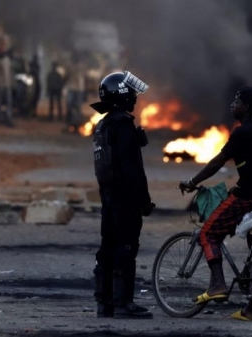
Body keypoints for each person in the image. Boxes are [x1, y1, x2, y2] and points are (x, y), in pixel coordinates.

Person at [178, 86, 252, 321]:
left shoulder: (241, 133)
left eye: (237, 101)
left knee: (208, 234)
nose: (232, 105)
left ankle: (217, 286)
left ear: (246, 107)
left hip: (246, 198)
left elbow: (218, 162)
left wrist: (193, 181)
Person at [90, 71, 155, 319]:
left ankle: (104, 303)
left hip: (108, 198)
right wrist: (144, 201)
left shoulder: (103, 125)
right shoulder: (123, 126)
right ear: (123, 95)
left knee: (108, 246)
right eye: (132, 93)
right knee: (126, 248)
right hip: (125, 199)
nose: (136, 98)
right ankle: (123, 303)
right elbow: (134, 170)